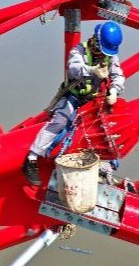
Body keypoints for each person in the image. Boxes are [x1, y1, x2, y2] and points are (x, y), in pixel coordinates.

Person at [22, 21, 125, 186]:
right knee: (59, 121)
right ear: (96, 40)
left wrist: (114, 90)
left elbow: (118, 75)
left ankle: (107, 165)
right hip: (73, 96)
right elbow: (74, 69)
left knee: (106, 128)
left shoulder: (110, 56)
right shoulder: (79, 50)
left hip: (92, 99)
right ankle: (32, 156)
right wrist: (92, 70)